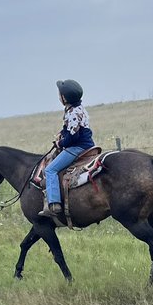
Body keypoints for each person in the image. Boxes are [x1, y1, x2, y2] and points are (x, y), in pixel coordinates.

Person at [39, 79, 95, 220]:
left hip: (77, 147)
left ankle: (54, 204)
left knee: (50, 170)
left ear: (65, 97)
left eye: (60, 94)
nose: (59, 97)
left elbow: (73, 137)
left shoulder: (73, 112)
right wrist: (62, 133)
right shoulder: (78, 108)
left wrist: (60, 143)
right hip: (87, 145)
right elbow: (70, 129)